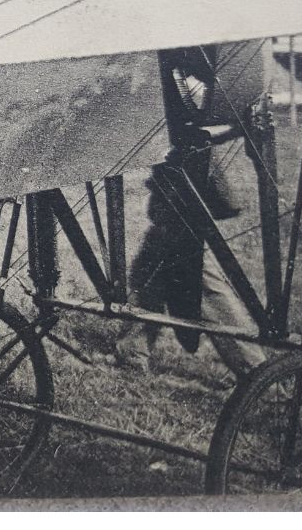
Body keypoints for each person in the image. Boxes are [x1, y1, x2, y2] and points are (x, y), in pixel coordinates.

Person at [117, 45, 268, 378]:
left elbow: (204, 118)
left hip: (187, 178)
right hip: (172, 177)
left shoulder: (192, 70)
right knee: (152, 264)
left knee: (198, 275)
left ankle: (256, 369)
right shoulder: (177, 66)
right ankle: (132, 352)